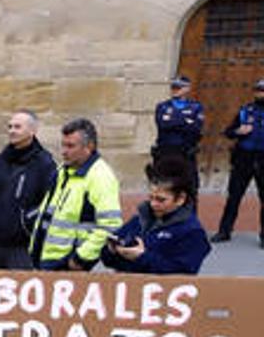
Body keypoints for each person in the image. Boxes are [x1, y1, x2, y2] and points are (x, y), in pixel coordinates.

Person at [0, 109, 57, 269]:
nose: (12, 131)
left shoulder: (45, 164)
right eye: (10, 127)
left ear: (32, 131)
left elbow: (49, 202)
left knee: (20, 290)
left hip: (22, 244)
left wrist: (26, 223)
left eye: (17, 127)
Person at [30, 118, 123, 271]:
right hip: (47, 260)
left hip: (69, 265)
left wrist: (80, 259)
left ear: (89, 147)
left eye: (70, 146)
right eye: (63, 145)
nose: (64, 151)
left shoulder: (100, 177)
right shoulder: (63, 170)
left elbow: (110, 226)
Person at [102, 155, 210, 275]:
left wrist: (142, 257)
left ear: (180, 199)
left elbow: (182, 274)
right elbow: (108, 260)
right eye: (151, 197)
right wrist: (111, 250)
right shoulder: (139, 220)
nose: (153, 204)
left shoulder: (192, 232)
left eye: (161, 200)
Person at [212, 79, 264, 245]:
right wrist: (238, 131)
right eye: (258, 90)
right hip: (244, 158)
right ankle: (224, 231)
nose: (260, 93)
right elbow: (228, 132)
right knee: (234, 197)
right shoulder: (245, 111)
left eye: (262, 91)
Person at [153, 75, 204, 175]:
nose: (175, 90)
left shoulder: (195, 107)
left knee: (188, 183)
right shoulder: (163, 106)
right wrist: (185, 120)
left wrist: (173, 120)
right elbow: (163, 125)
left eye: (178, 88)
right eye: (173, 87)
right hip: (166, 150)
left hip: (186, 151)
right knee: (163, 181)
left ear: (187, 89)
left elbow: (195, 128)